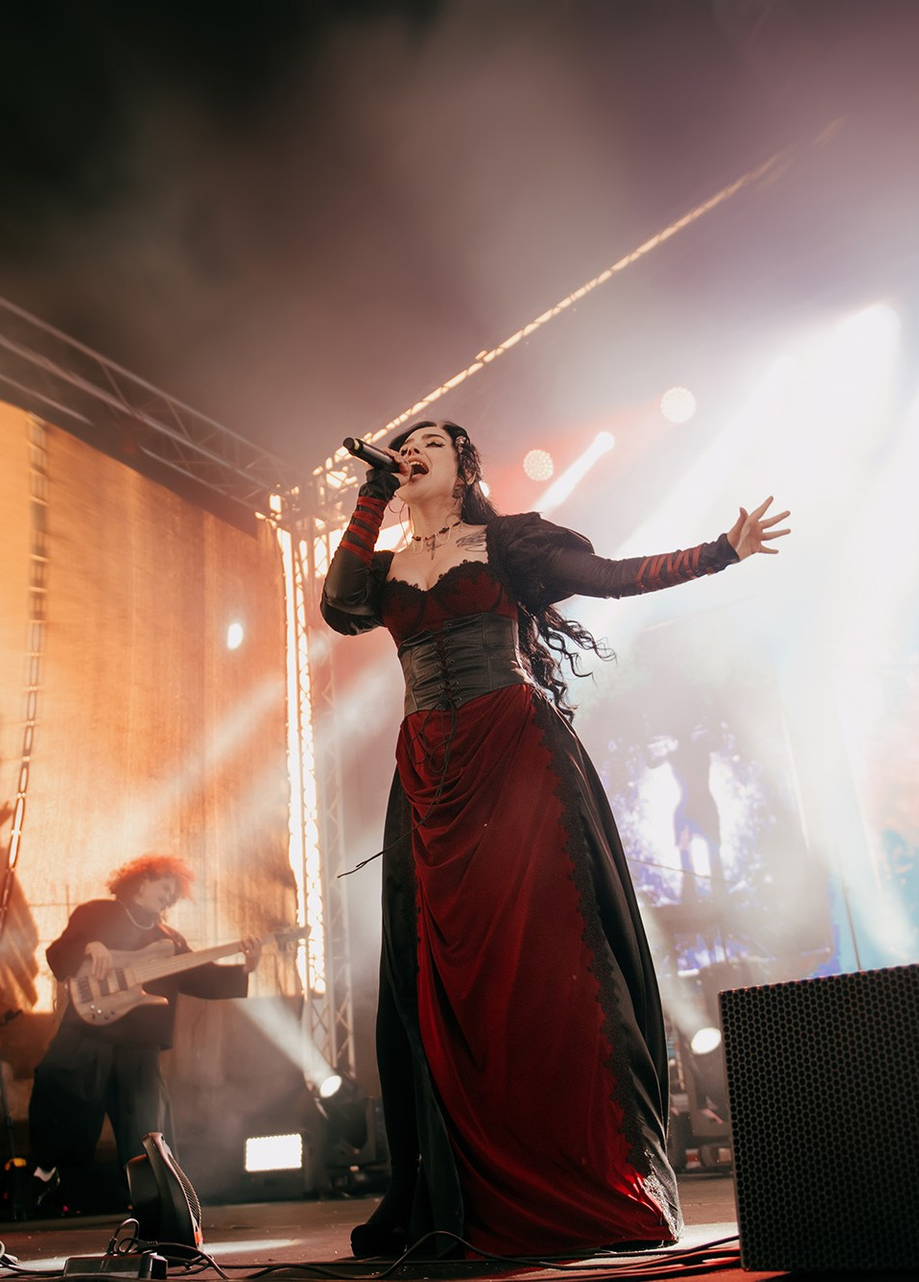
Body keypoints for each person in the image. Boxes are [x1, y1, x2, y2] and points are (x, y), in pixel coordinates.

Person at [320, 420, 788, 1257]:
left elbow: (614, 577)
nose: (413, 448)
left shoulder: (508, 543)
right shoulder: (383, 566)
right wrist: (373, 494)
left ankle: (590, 1175)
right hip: (428, 769)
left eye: (432, 441)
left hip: (516, 750)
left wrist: (722, 550)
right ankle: (471, 1191)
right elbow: (338, 605)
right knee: (442, 973)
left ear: (465, 465)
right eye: (406, 442)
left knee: (550, 957)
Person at [27, 854, 260, 1199]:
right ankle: (45, 1171)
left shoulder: (170, 940)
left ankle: (154, 1199)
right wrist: (89, 946)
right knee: (57, 1084)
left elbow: (200, 977)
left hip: (139, 1043)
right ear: (141, 882)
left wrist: (247, 968)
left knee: (145, 1127)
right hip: (89, 1031)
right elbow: (58, 952)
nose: (169, 896)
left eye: (174, 893)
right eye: (165, 887)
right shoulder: (96, 913)